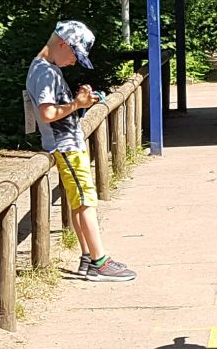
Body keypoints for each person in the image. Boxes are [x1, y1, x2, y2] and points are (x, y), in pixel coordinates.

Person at [26, 22, 135, 283]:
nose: (74, 62)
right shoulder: (46, 72)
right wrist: (77, 103)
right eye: (75, 55)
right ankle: (100, 262)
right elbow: (47, 113)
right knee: (86, 202)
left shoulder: (45, 69)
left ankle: (87, 257)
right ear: (62, 44)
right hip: (65, 146)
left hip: (68, 145)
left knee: (79, 202)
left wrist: (81, 102)